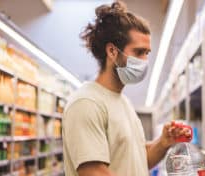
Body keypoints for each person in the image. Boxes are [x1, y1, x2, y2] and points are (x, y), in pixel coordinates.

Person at [62, 1, 191, 176]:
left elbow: (138, 161)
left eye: (147, 53)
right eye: (139, 52)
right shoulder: (87, 103)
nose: (144, 61)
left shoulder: (123, 102)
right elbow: (94, 172)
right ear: (112, 51)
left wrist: (163, 142)